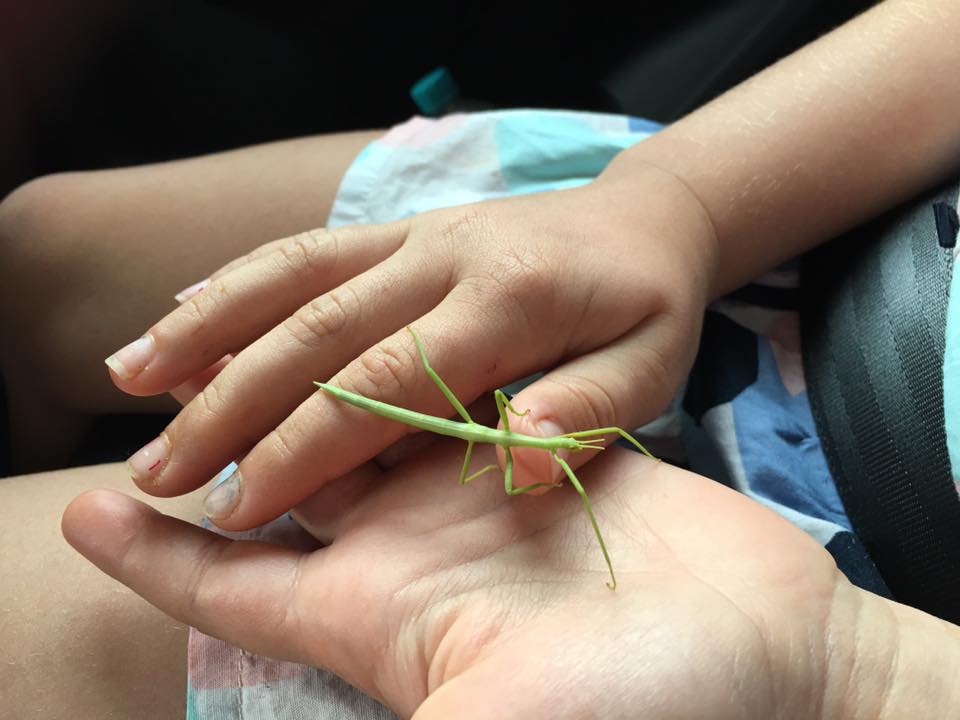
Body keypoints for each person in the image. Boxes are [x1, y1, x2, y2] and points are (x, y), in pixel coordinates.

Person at [2, 0, 960, 716]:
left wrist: (856, 673)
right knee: (40, 247)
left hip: (825, 598)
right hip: (763, 230)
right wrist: (677, 203)